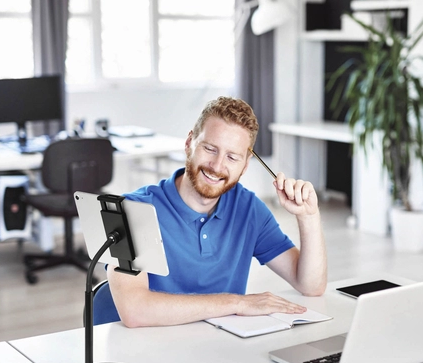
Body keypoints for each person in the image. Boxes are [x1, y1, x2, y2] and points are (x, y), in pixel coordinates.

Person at [107, 96, 327, 327]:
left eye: (232, 157)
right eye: (210, 149)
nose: (217, 166)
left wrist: (308, 216)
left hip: (220, 351)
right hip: (147, 353)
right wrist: (237, 303)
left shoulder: (249, 209)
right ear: (189, 142)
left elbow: (311, 286)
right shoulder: (129, 212)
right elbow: (134, 310)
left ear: (245, 164)